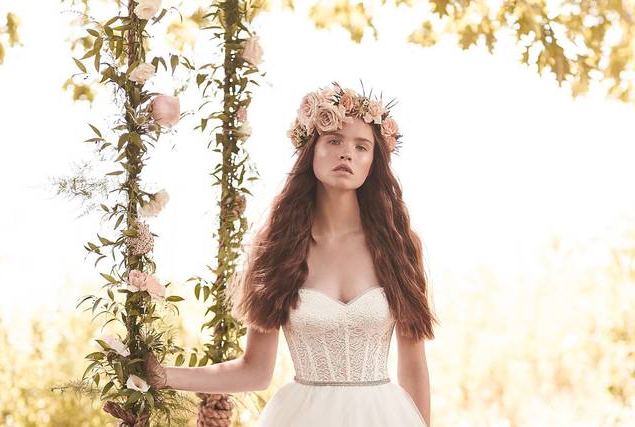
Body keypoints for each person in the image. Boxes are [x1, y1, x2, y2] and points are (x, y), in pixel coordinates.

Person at [145, 81, 439, 426]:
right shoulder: (276, 248)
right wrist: (162, 375)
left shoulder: (400, 246)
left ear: (373, 162)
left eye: (362, 147)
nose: (347, 153)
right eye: (334, 140)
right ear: (311, 151)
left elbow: (414, 367)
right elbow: (254, 371)